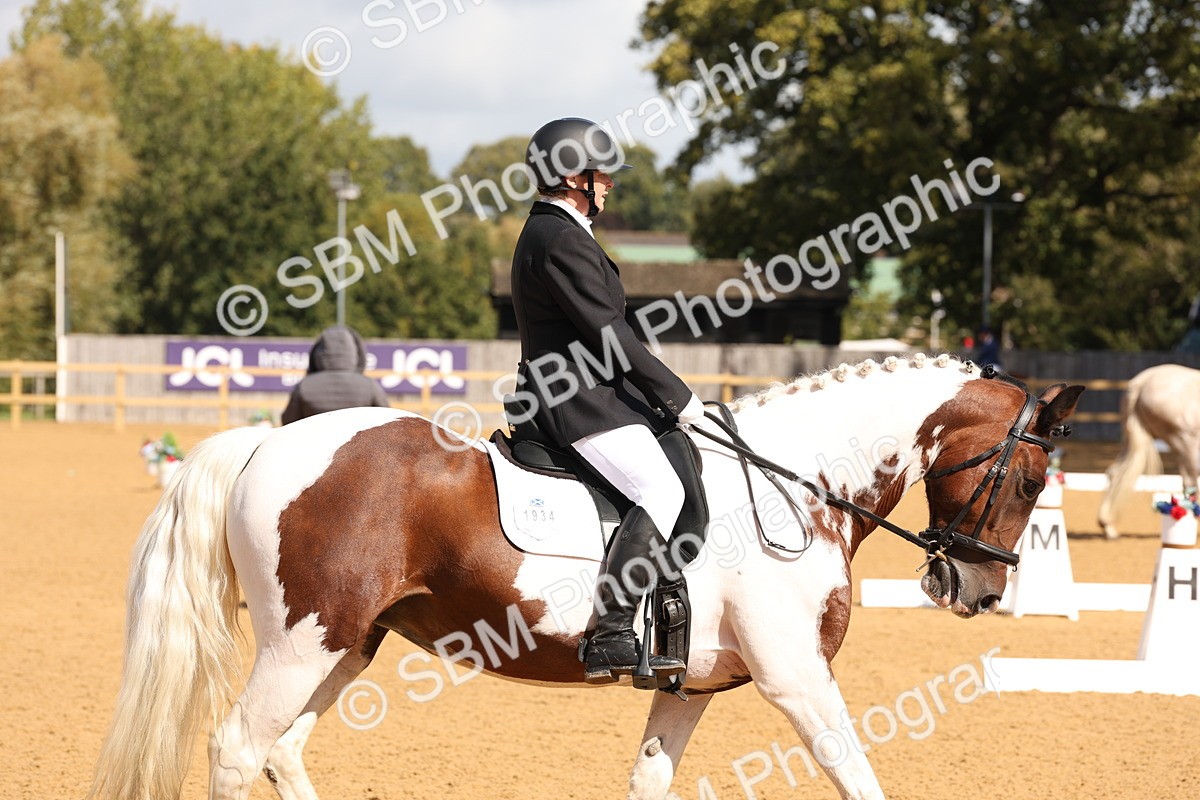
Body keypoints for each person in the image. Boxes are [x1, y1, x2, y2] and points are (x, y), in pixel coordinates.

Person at [511, 117, 705, 685]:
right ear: (574, 175)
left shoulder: (558, 231)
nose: (610, 186)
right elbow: (609, 336)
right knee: (661, 487)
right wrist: (679, 396)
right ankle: (613, 630)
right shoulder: (560, 237)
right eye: (604, 176)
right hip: (574, 399)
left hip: (585, 392)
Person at [281, 325, 390, 425]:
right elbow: (389, 420)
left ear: (317, 353)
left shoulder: (304, 386)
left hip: (315, 443)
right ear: (354, 353)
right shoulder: (369, 386)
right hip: (359, 445)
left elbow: (288, 421)